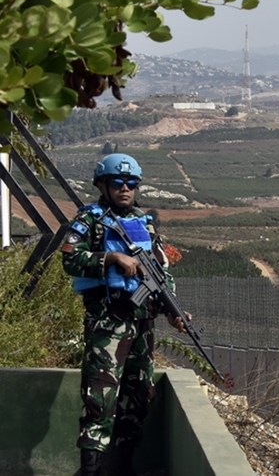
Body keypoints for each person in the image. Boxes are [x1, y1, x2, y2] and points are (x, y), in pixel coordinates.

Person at [61, 153, 185, 476]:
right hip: (108, 323)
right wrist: (112, 258)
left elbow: (160, 271)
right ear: (103, 185)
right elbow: (70, 258)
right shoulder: (90, 219)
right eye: (118, 183)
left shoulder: (144, 223)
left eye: (131, 184)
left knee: (140, 395)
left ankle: (122, 464)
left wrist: (172, 310)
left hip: (142, 325)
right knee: (100, 399)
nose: (125, 189)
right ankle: (92, 471)